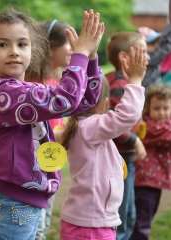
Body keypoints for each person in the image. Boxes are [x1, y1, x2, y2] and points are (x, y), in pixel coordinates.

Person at [0, 8, 104, 239]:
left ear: (32, 51)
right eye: (3, 44)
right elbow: (64, 100)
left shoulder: (28, 90)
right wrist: (80, 54)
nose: (14, 51)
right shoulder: (3, 93)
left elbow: (84, 101)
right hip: (11, 204)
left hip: (22, 202)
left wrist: (91, 57)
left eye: (22, 44)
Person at [60, 44, 147, 240]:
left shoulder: (78, 126)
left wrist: (90, 55)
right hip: (92, 226)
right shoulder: (91, 127)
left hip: (81, 222)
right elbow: (127, 116)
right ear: (105, 103)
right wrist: (134, 81)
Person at [25, 19, 72, 240]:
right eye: (69, 43)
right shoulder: (34, 85)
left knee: (41, 227)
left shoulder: (53, 82)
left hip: (51, 166)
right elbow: (39, 136)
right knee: (35, 228)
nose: (73, 49)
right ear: (50, 46)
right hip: (36, 170)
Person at [105, 32, 149, 240]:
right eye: (143, 52)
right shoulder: (119, 87)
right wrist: (136, 141)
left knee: (129, 214)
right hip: (121, 159)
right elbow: (115, 124)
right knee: (122, 219)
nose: (147, 57)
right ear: (125, 58)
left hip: (125, 159)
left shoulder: (120, 83)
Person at [130, 83, 171, 240]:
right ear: (148, 108)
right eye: (156, 108)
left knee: (144, 219)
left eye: (166, 108)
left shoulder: (162, 125)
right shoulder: (149, 127)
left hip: (154, 182)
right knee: (141, 222)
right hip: (145, 183)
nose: (161, 113)